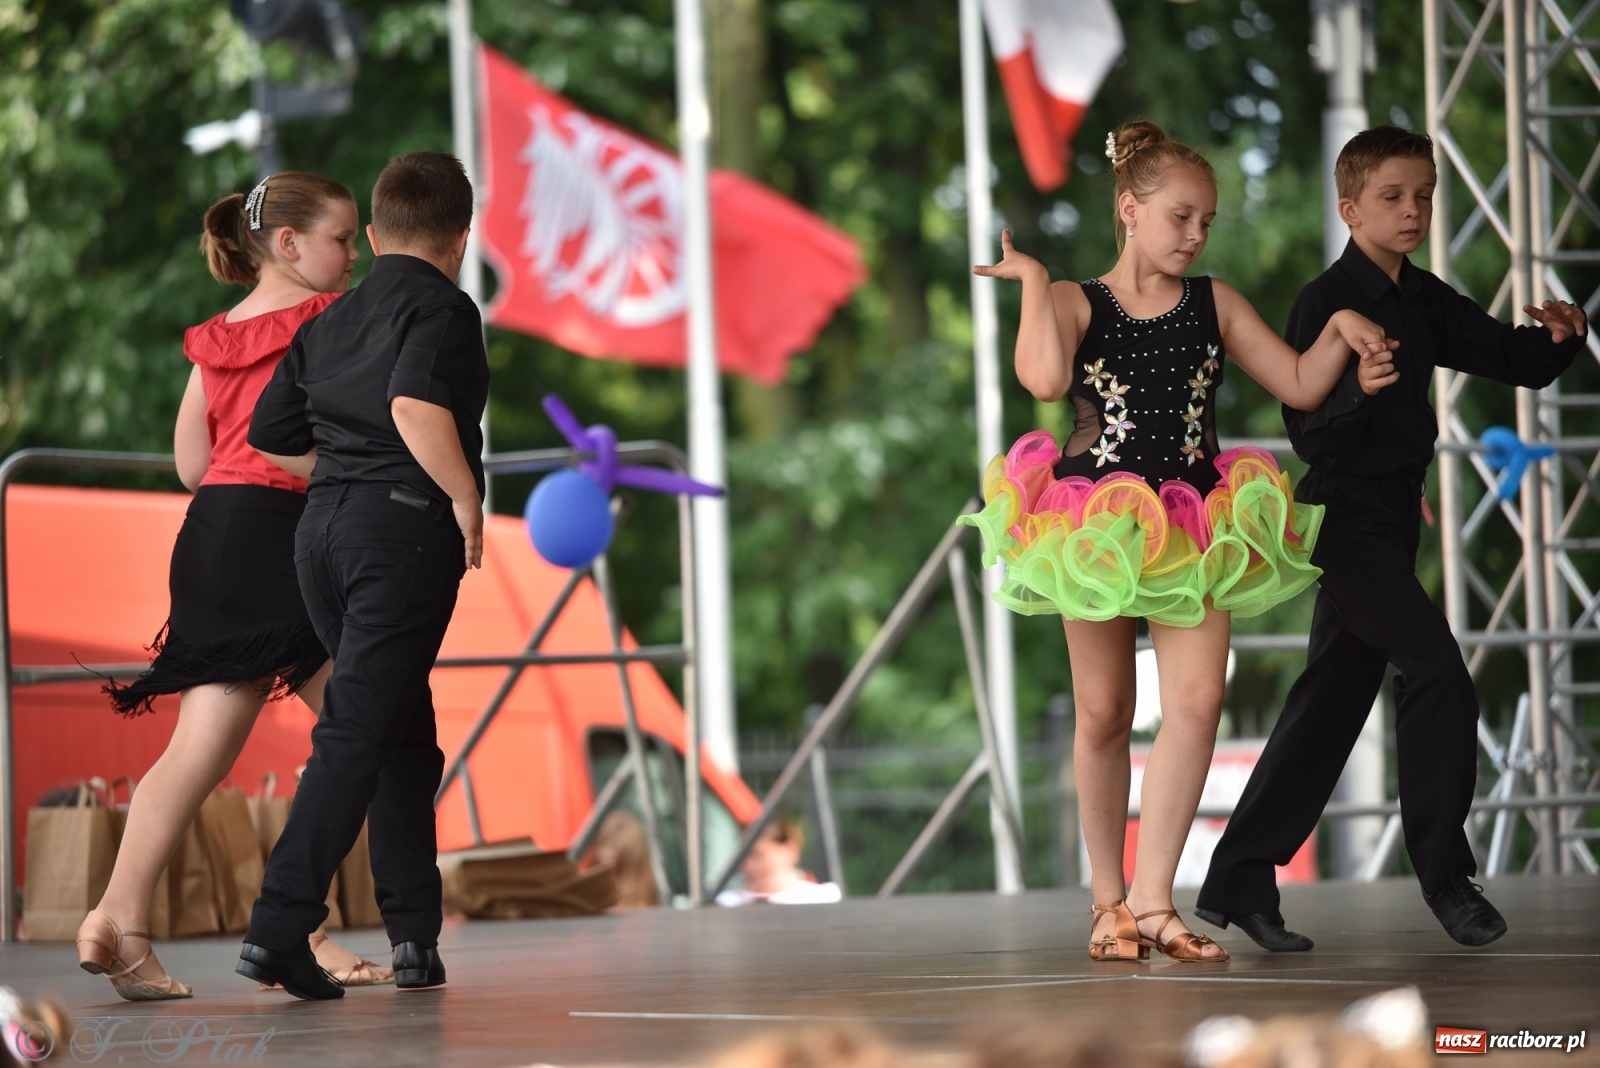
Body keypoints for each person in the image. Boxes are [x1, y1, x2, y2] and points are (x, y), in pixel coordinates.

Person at [963, 121, 1398, 964]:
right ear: (1131, 210)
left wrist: (1343, 327)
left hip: (1196, 520)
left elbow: (1302, 380)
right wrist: (1034, 282)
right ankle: (1107, 903)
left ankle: (1157, 902)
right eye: (1181, 217)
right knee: (1103, 714)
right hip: (1095, 524)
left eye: (1207, 222)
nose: (1197, 236)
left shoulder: (1216, 303)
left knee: (1197, 704)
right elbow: (1045, 382)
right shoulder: (1075, 300)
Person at [1194, 126, 1586, 951]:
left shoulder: (1424, 297)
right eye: (1392, 197)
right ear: (1349, 208)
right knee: (1437, 669)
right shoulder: (1324, 298)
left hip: (1394, 519)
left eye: (1424, 195)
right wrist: (1360, 391)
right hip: (1341, 520)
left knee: (1331, 700)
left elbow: (1504, 355)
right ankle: (1449, 881)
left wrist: (1561, 341)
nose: (1413, 210)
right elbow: (1307, 427)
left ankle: (1237, 879)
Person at [78, 172, 391, 1000]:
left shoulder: (214, 337)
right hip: (283, 538)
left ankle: (119, 919)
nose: (354, 253)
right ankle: (298, 930)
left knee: (200, 751)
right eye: (342, 238)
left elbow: (191, 464)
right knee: (366, 734)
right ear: (289, 245)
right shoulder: (327, 321)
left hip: (214, 534)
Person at [240, 151, 488, 1000]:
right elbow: (416, 408)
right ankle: (278, 928)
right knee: (355, 730)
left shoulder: (328, 319)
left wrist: (347, 471)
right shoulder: (447, 310)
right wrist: (463, 498)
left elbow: (271, 435)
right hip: (401, 537)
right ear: (463, 235)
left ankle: (415, 935)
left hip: (322, 539)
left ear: (377, 234)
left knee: (397, 735)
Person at [715, 816, 842, 906]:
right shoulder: (725, 902)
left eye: (758, 855)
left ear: (790, 849)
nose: (748, 865)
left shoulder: (823, 898)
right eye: (743, 856)